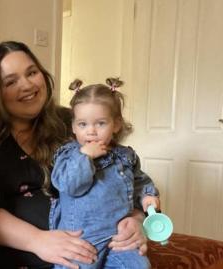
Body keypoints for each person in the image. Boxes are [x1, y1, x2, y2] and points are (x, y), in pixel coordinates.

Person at [0, 41, 149, 269]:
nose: (27, 85)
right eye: (11, 81)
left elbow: (121, 174)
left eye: (32, 72)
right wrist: (38, 240)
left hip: (97, 247)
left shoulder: (70, 123)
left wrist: (135, 220)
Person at [50, 78, 160, 269]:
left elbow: (139, 181)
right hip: (82, 242)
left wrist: (148, 196)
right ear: (74, 127)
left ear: (116, 125)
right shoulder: (69, 155)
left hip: (120, 239)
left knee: (139, 266)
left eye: (100, 123)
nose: (91, 131)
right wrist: (85, 157)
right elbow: (70, 186)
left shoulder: (125, 156)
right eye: (83, 124)